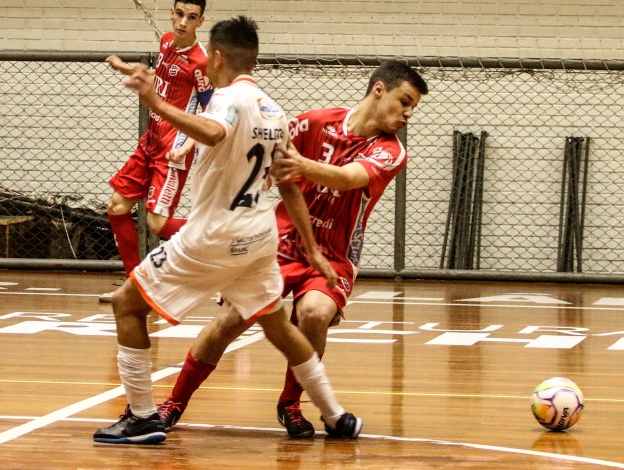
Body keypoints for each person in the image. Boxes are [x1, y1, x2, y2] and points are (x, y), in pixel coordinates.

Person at [93, 15, 363, 445]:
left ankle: (142, 417)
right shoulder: (275, 111)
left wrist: (156, 102)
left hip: (215, 235)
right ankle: (336, 415)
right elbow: (289, 184)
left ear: (217, 57)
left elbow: (213, 131)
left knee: (127, 305)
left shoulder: (226, 98)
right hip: (260, 237)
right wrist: (313, 250)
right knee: (279, 327)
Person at [158, 61, 428, 438]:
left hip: (332, 254)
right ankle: (172, 404)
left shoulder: (391, 151)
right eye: (405, 102)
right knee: (231, 319)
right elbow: (268, 157)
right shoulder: (314, 122)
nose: (408, 114)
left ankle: (291, 404)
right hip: (279, 242)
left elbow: (349, 178)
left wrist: (302, 165)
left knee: (314, 312)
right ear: (379, 90)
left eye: (413, 107)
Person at [100, 0, 212, 303]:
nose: (183, 22)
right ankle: (135, 284)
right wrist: (127, 69)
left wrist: (187, 146)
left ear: (200, 22)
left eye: (191, 17)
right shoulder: (166, 41)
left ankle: (220, 237)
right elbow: (161, 76)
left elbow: (210, 112)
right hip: (151, 140)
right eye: (180, 14)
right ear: (171, 13)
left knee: (157, 224)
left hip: (173, 148)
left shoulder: (201, 62)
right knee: (117, 207)